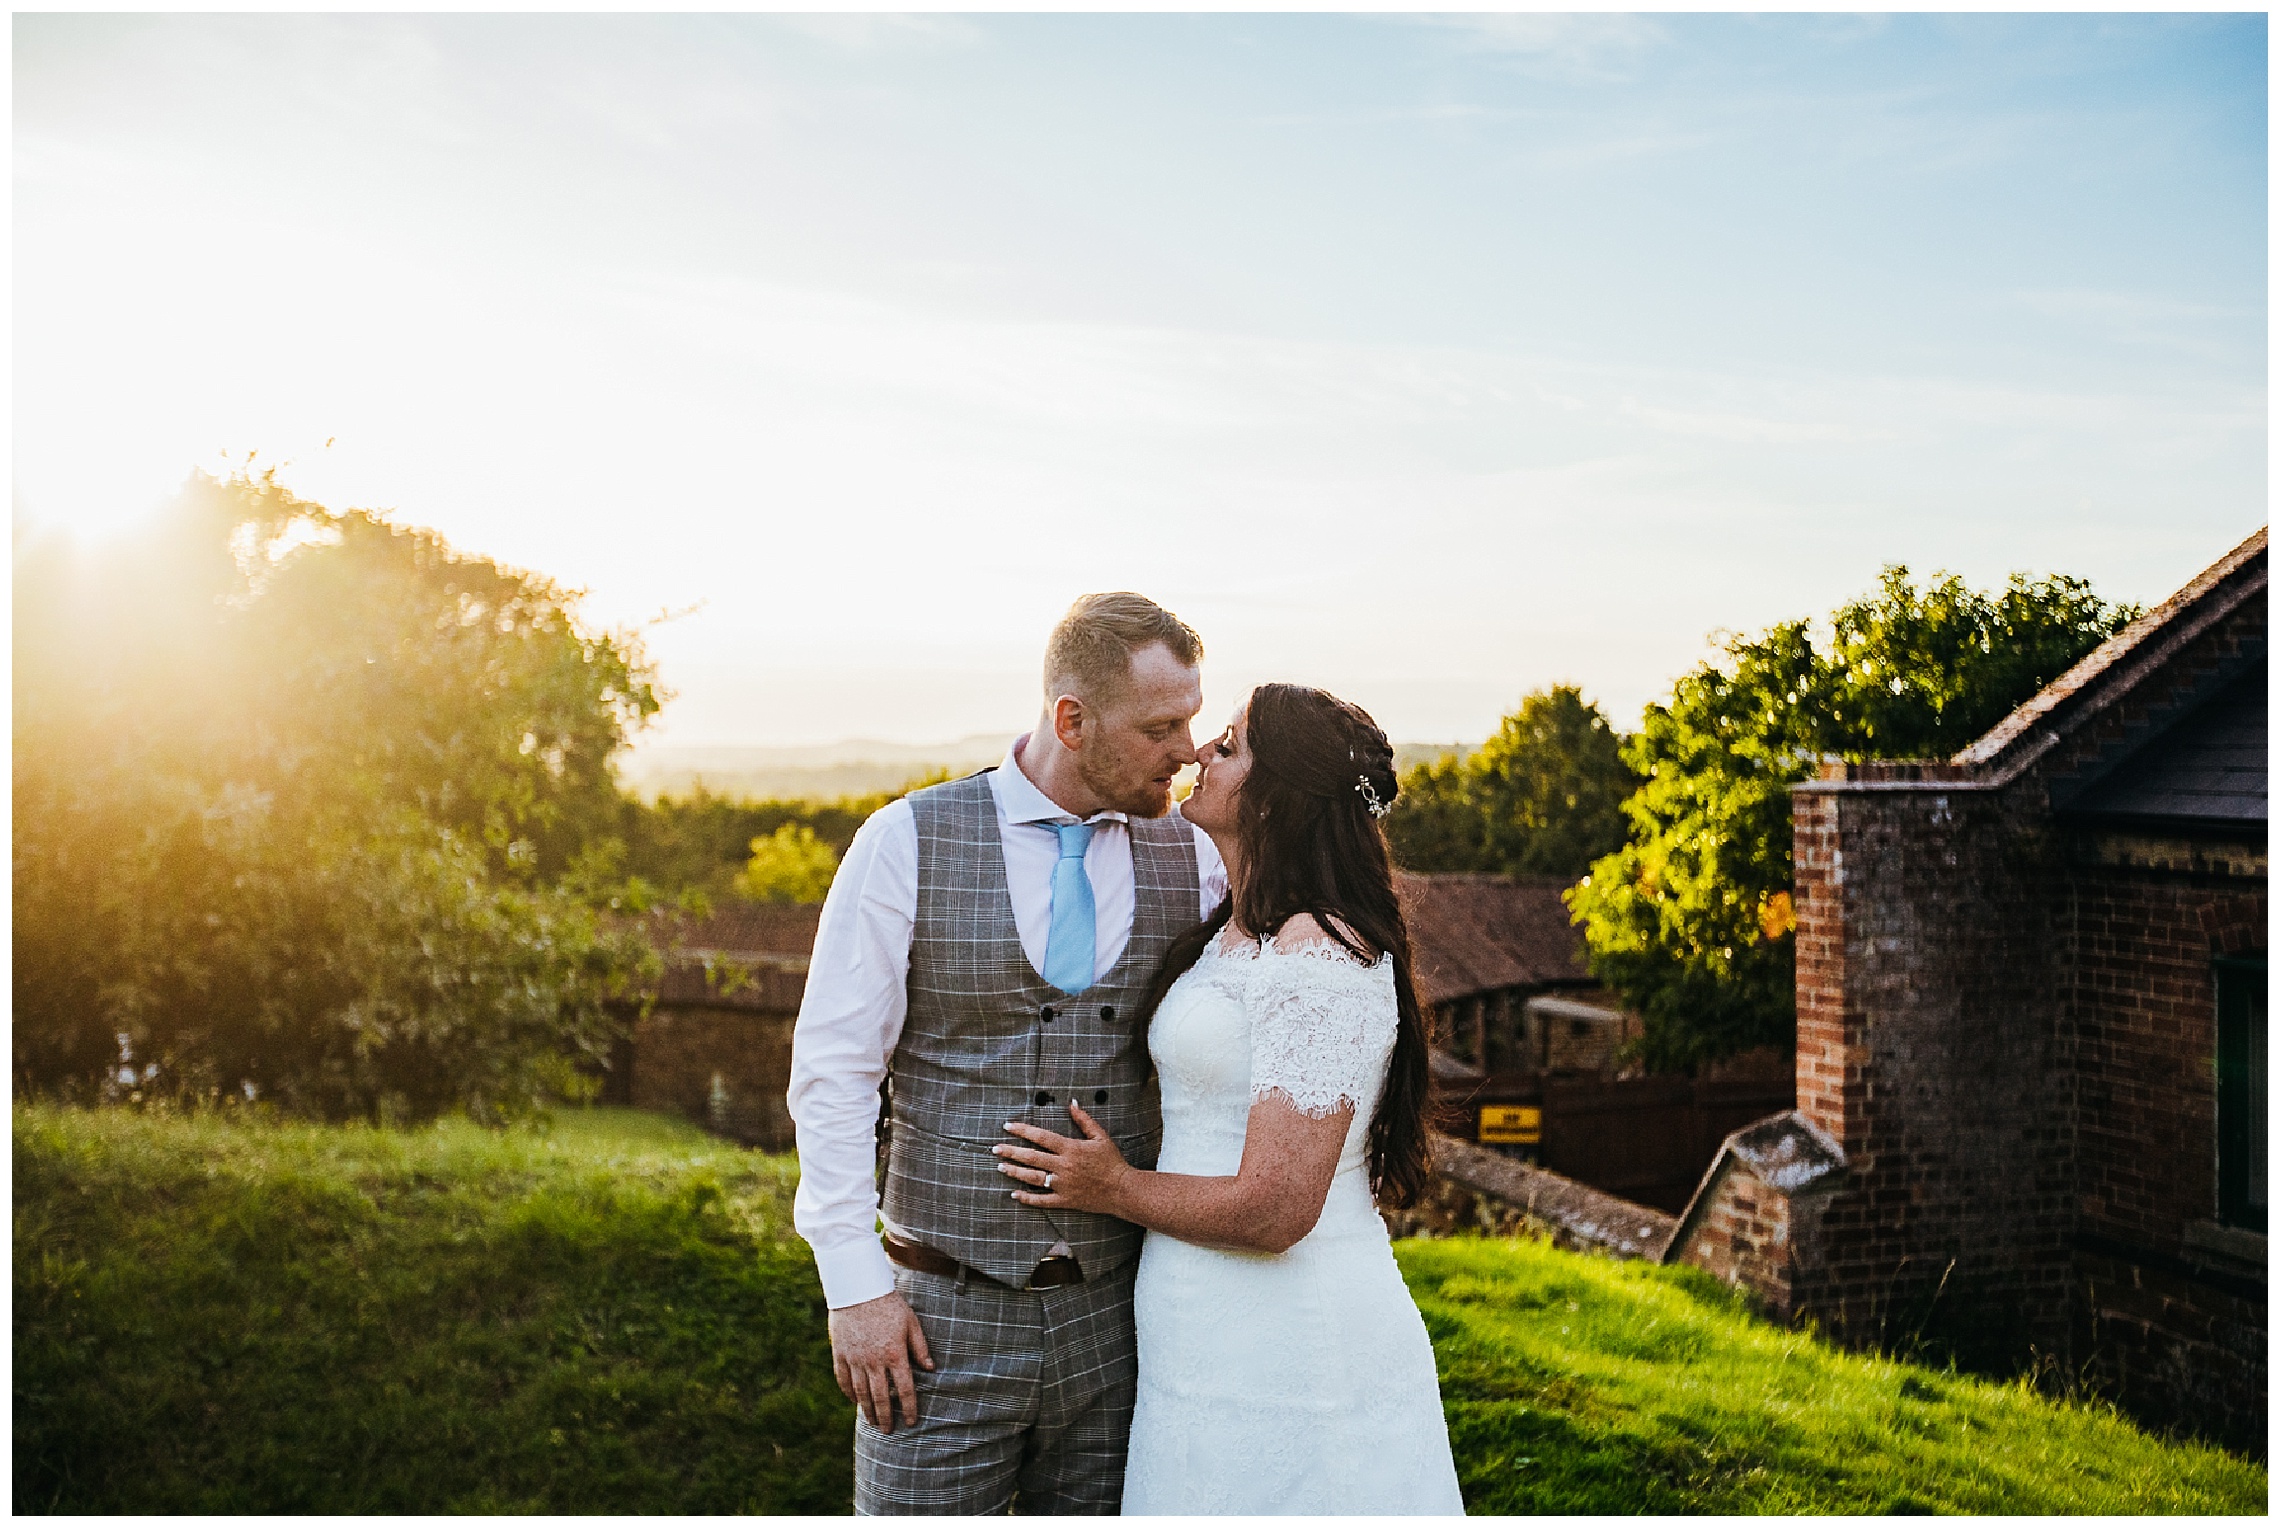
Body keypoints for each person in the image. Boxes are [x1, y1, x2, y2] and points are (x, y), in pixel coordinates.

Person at [786, 592, 1225, 1515]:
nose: (1189, 749)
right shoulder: (904, 842)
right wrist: (853, 1288)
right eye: (1161, 726)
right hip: (937, 1321)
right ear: (1072, 719)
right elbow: (835, 1074)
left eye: (1191, 719)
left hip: (1127, 1321)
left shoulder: (1200, 860)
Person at [993, 682, 1465, 1515]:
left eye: (1233, 744)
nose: (1200, 752)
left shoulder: (1321, 953)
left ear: (1280, 798)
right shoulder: (1236, 926)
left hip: (1294, 1340)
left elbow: (1279, 1208)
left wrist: (1115, 1188)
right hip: (1198, 1329)